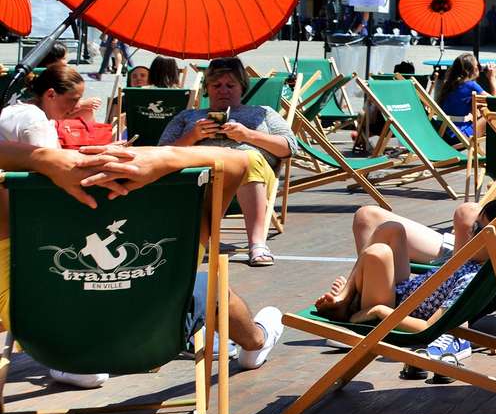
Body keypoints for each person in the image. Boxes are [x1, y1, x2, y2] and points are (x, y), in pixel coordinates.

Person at [0, 135, 286, 386]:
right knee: (208, 284)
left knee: (51, 293)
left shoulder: (12, 221)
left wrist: (42, 157)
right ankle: (255, 342)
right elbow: (236, 161)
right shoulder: (181, 219)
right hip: (151, 338)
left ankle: (78, 366)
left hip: (50, 342)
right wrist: (166, 156)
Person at [318, 127, 496, 371]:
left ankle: (440, 322)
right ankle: (351, 296)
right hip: (466, 251)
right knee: (370, 217)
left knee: (467, 211)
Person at [160, 58, 295, 268]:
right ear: (207, 89)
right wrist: (193, 136)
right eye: (216, 85)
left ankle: (257, 243)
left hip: (251, 171)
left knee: (246, 158)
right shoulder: (189, 116)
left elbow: (288, 147)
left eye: (230, 85)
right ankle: (200, 240)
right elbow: (162, 154)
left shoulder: (263, 113)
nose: (223, 90)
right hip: (202, 176)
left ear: (242, 87)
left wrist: (248, 135)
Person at [432, 53, 488, 138]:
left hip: (441, 132)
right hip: (458, 136)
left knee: (477, 115)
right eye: (477, 65)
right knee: (491, 115)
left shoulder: (448, 83)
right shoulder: (471, 85)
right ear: (473, 69)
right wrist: (492, 78)